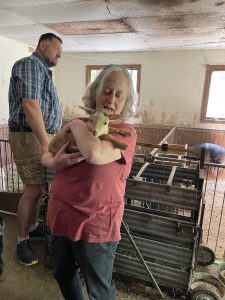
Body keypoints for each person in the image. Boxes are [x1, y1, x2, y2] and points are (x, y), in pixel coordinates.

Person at [41, 64, 137, 300]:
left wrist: (74, 124)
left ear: (125, 103)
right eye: (107, 90)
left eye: (119, 95)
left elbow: (94, 154)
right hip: (61, 216)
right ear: (95, 91)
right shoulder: (82, 122)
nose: (111, 99)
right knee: (63, 274)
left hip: (96, 225)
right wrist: (56, 163)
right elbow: (46, 154)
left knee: (99, 288)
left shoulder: (124, 132)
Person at [8, 33, 63, 266]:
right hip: (30, 136)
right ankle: (22, 241)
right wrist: (44, 142)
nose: (59, 54)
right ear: (43, 45)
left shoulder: (41, 71)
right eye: (56, 49)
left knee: (38, 188)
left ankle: (31, 227)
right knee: (32, 190)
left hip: (38, 136)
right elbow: (30, 104)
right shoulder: (30, 64)